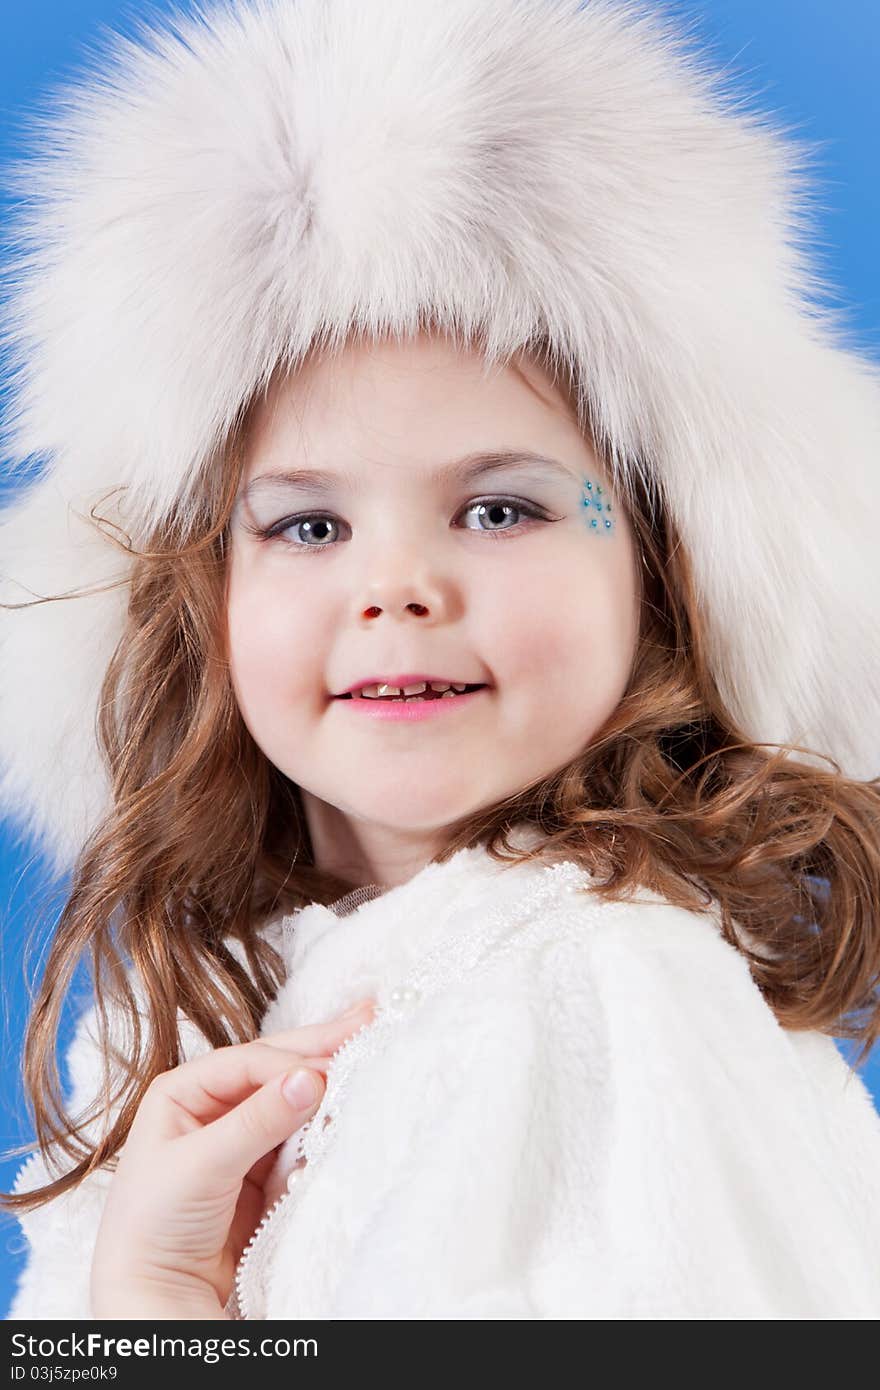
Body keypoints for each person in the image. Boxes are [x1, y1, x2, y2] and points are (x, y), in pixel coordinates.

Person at [1, 0, 879, 1321]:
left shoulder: (601, 993)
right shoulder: (200, 1001)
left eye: (501, 506)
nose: (397, 585)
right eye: (306, 522)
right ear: (201, 597)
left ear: (656, 569)